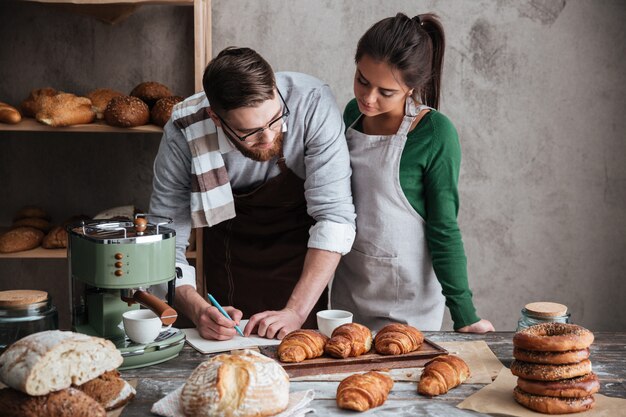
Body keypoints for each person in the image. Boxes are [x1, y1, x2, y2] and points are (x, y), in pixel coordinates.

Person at [150, 47, 356, 340]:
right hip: (231, 255)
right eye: (251, 132)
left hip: (302, 254)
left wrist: (296, 311)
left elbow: (335, 218)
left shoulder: (311, 103)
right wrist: (197, 309)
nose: (269, 137)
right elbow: (162, 244)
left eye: (274, 120)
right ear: (216, 119)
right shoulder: (183, 133)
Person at [331, 13, 494, 333]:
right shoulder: (352, 115)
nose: (368, 97)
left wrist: (466, 315)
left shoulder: (434, 133)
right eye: (362, 80)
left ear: (412, 88)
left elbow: (444, 228)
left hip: (407, 304)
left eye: (385, 91)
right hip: (349, 292)